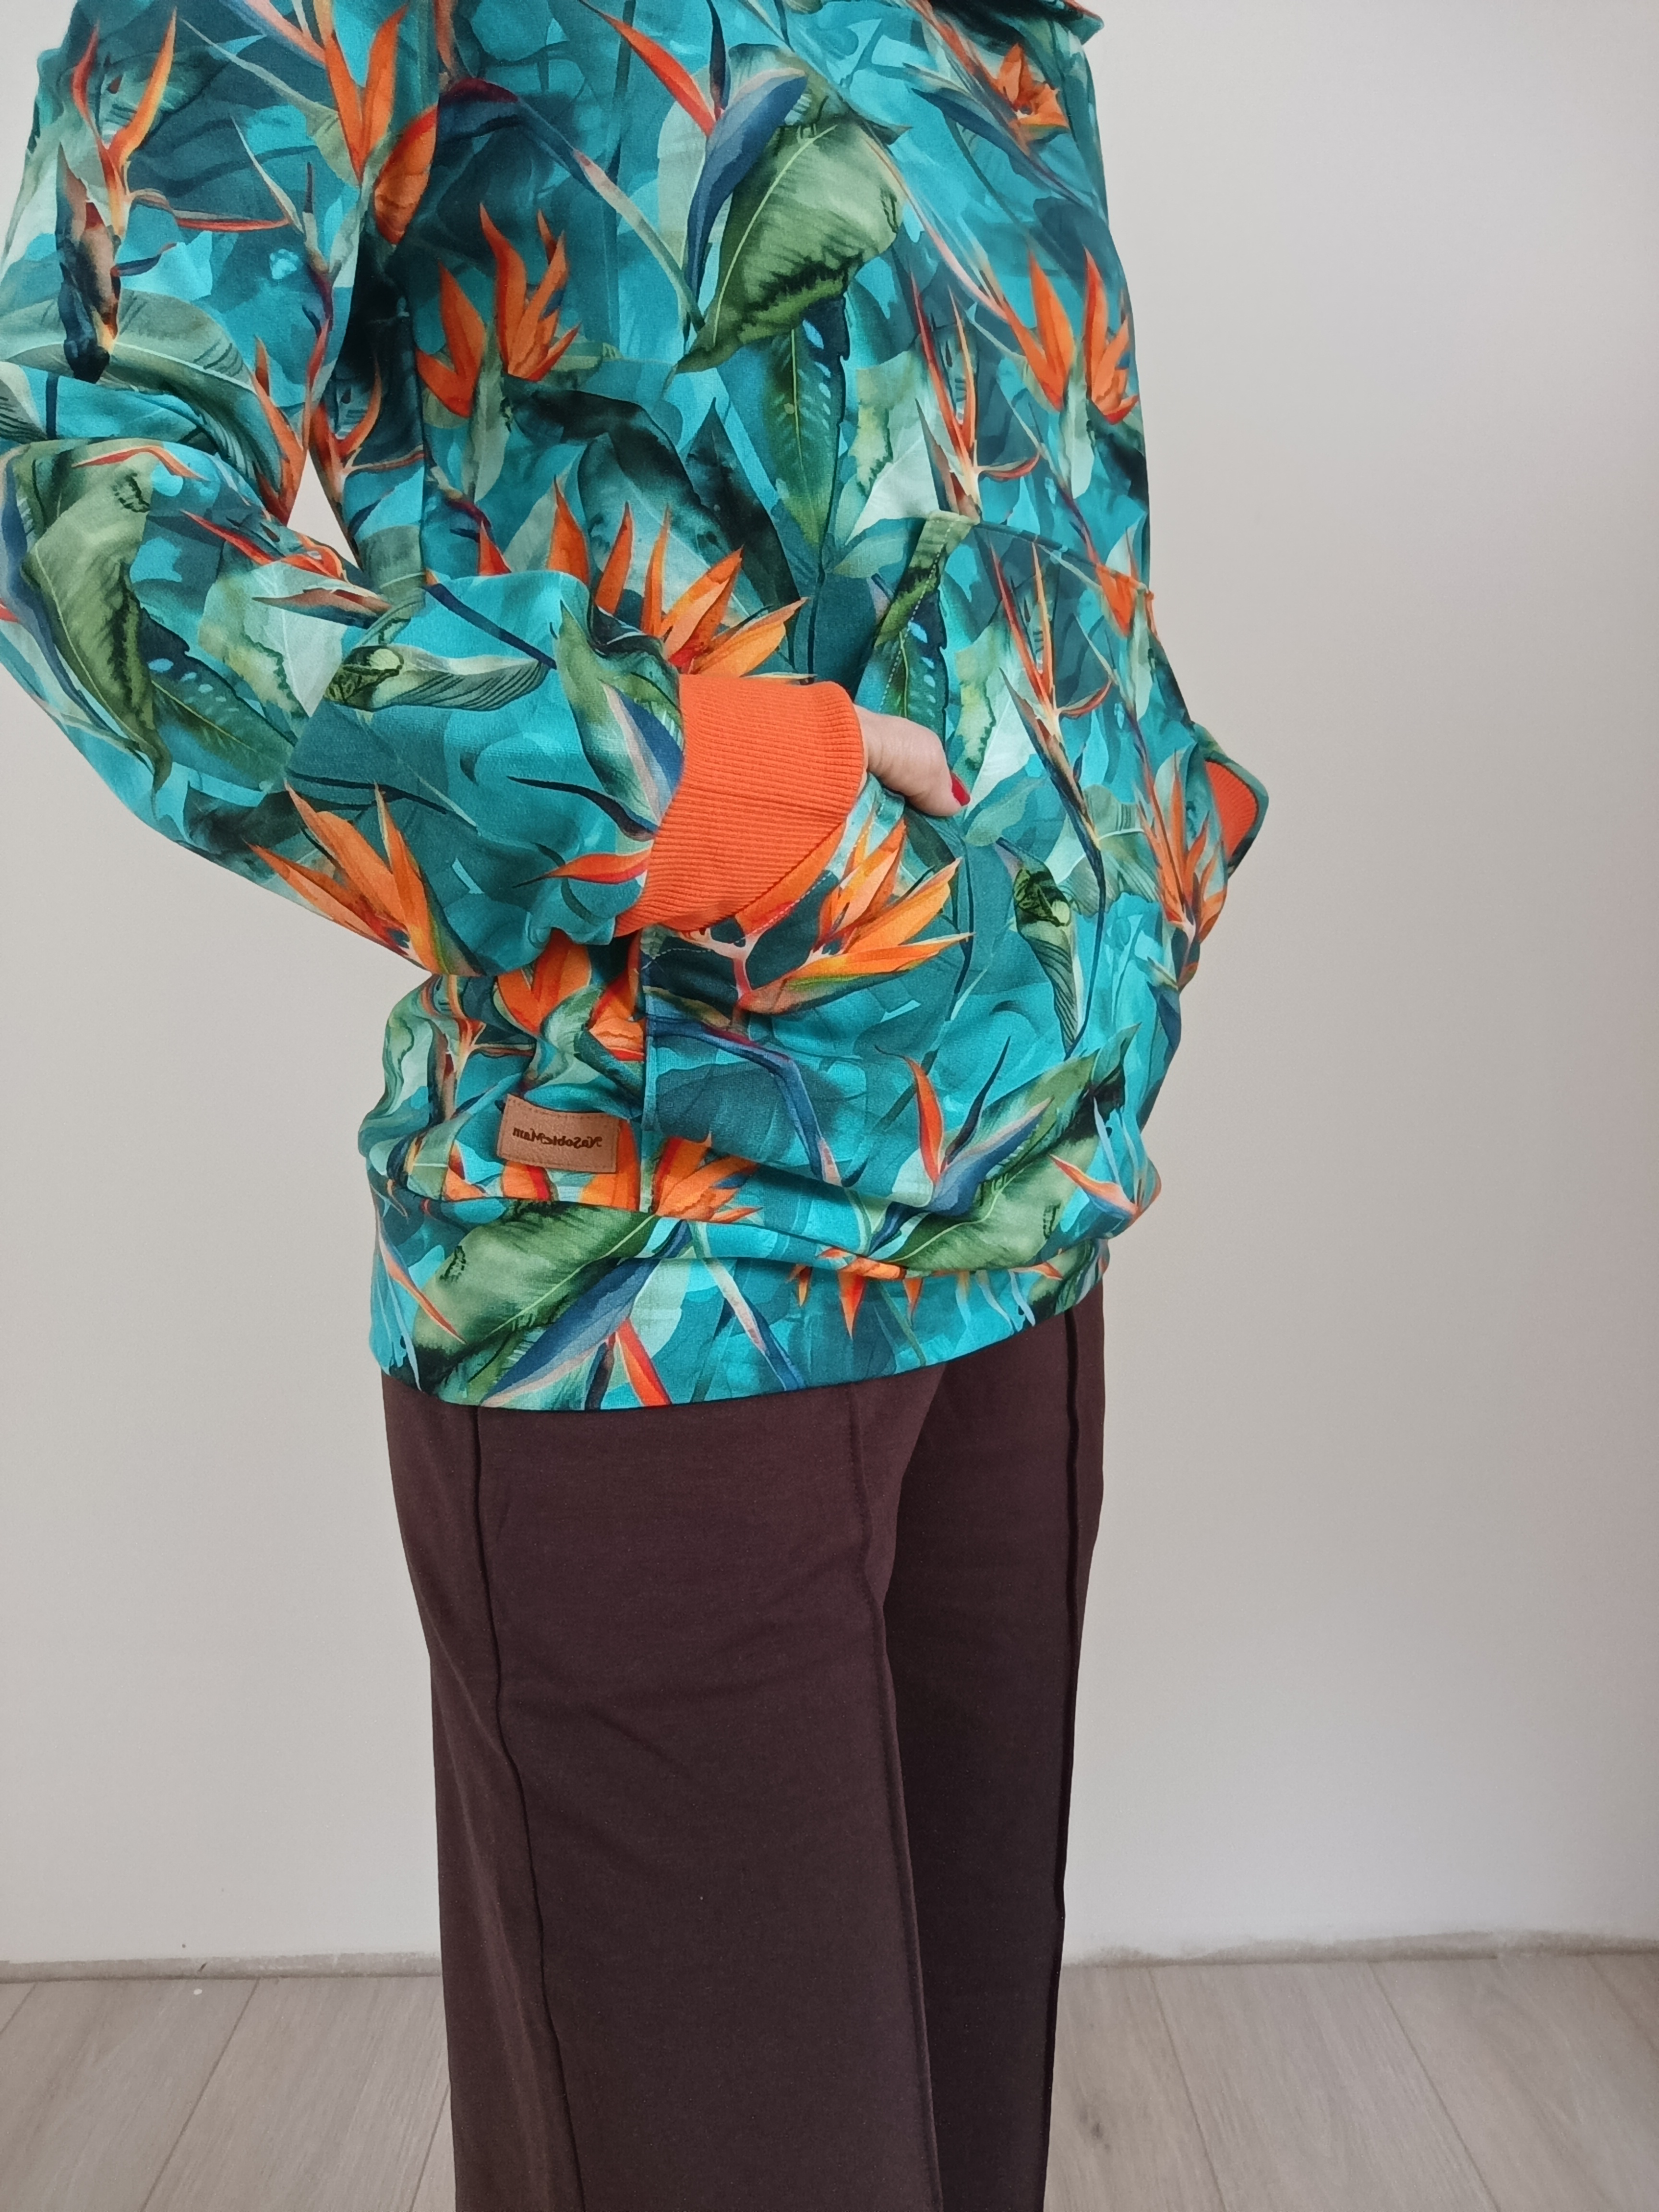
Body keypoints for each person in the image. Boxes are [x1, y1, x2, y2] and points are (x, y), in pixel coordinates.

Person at [0, 0, 1265, 2202]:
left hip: (1021, 1207)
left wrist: (1127, 844)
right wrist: (665, 785)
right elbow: (82, 500)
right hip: (655, 1269)